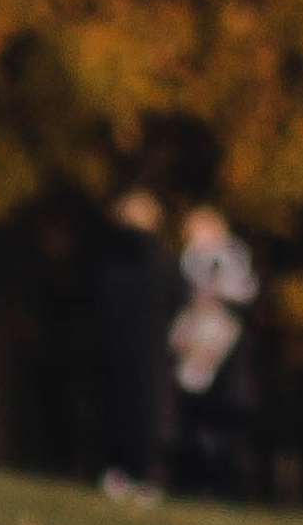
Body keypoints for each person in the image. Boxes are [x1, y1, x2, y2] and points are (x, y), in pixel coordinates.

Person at [168, 202, 263, 501]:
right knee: (199, 424)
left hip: (225, 363)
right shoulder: (190, 263)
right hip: (203, 354)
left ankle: (228, 487)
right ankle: (202, 482)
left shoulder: (230, 262)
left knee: (224, 431)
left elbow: (244, 296)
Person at [92, 186, 179, 504]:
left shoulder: (107, 258)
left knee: (121, 410)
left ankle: (121, 473)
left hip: (120, 346)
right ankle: (145, 476)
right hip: (150, 349)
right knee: (146, 413)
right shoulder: (159, 261)